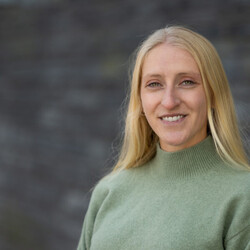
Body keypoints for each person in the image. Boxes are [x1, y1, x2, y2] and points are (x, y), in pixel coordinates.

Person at [77, 26, 250, 250]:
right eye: (154, 84)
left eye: (187, 81)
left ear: (214, 93)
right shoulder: (109, 191)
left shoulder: (242, 195)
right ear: (140, 99)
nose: (169, 101)